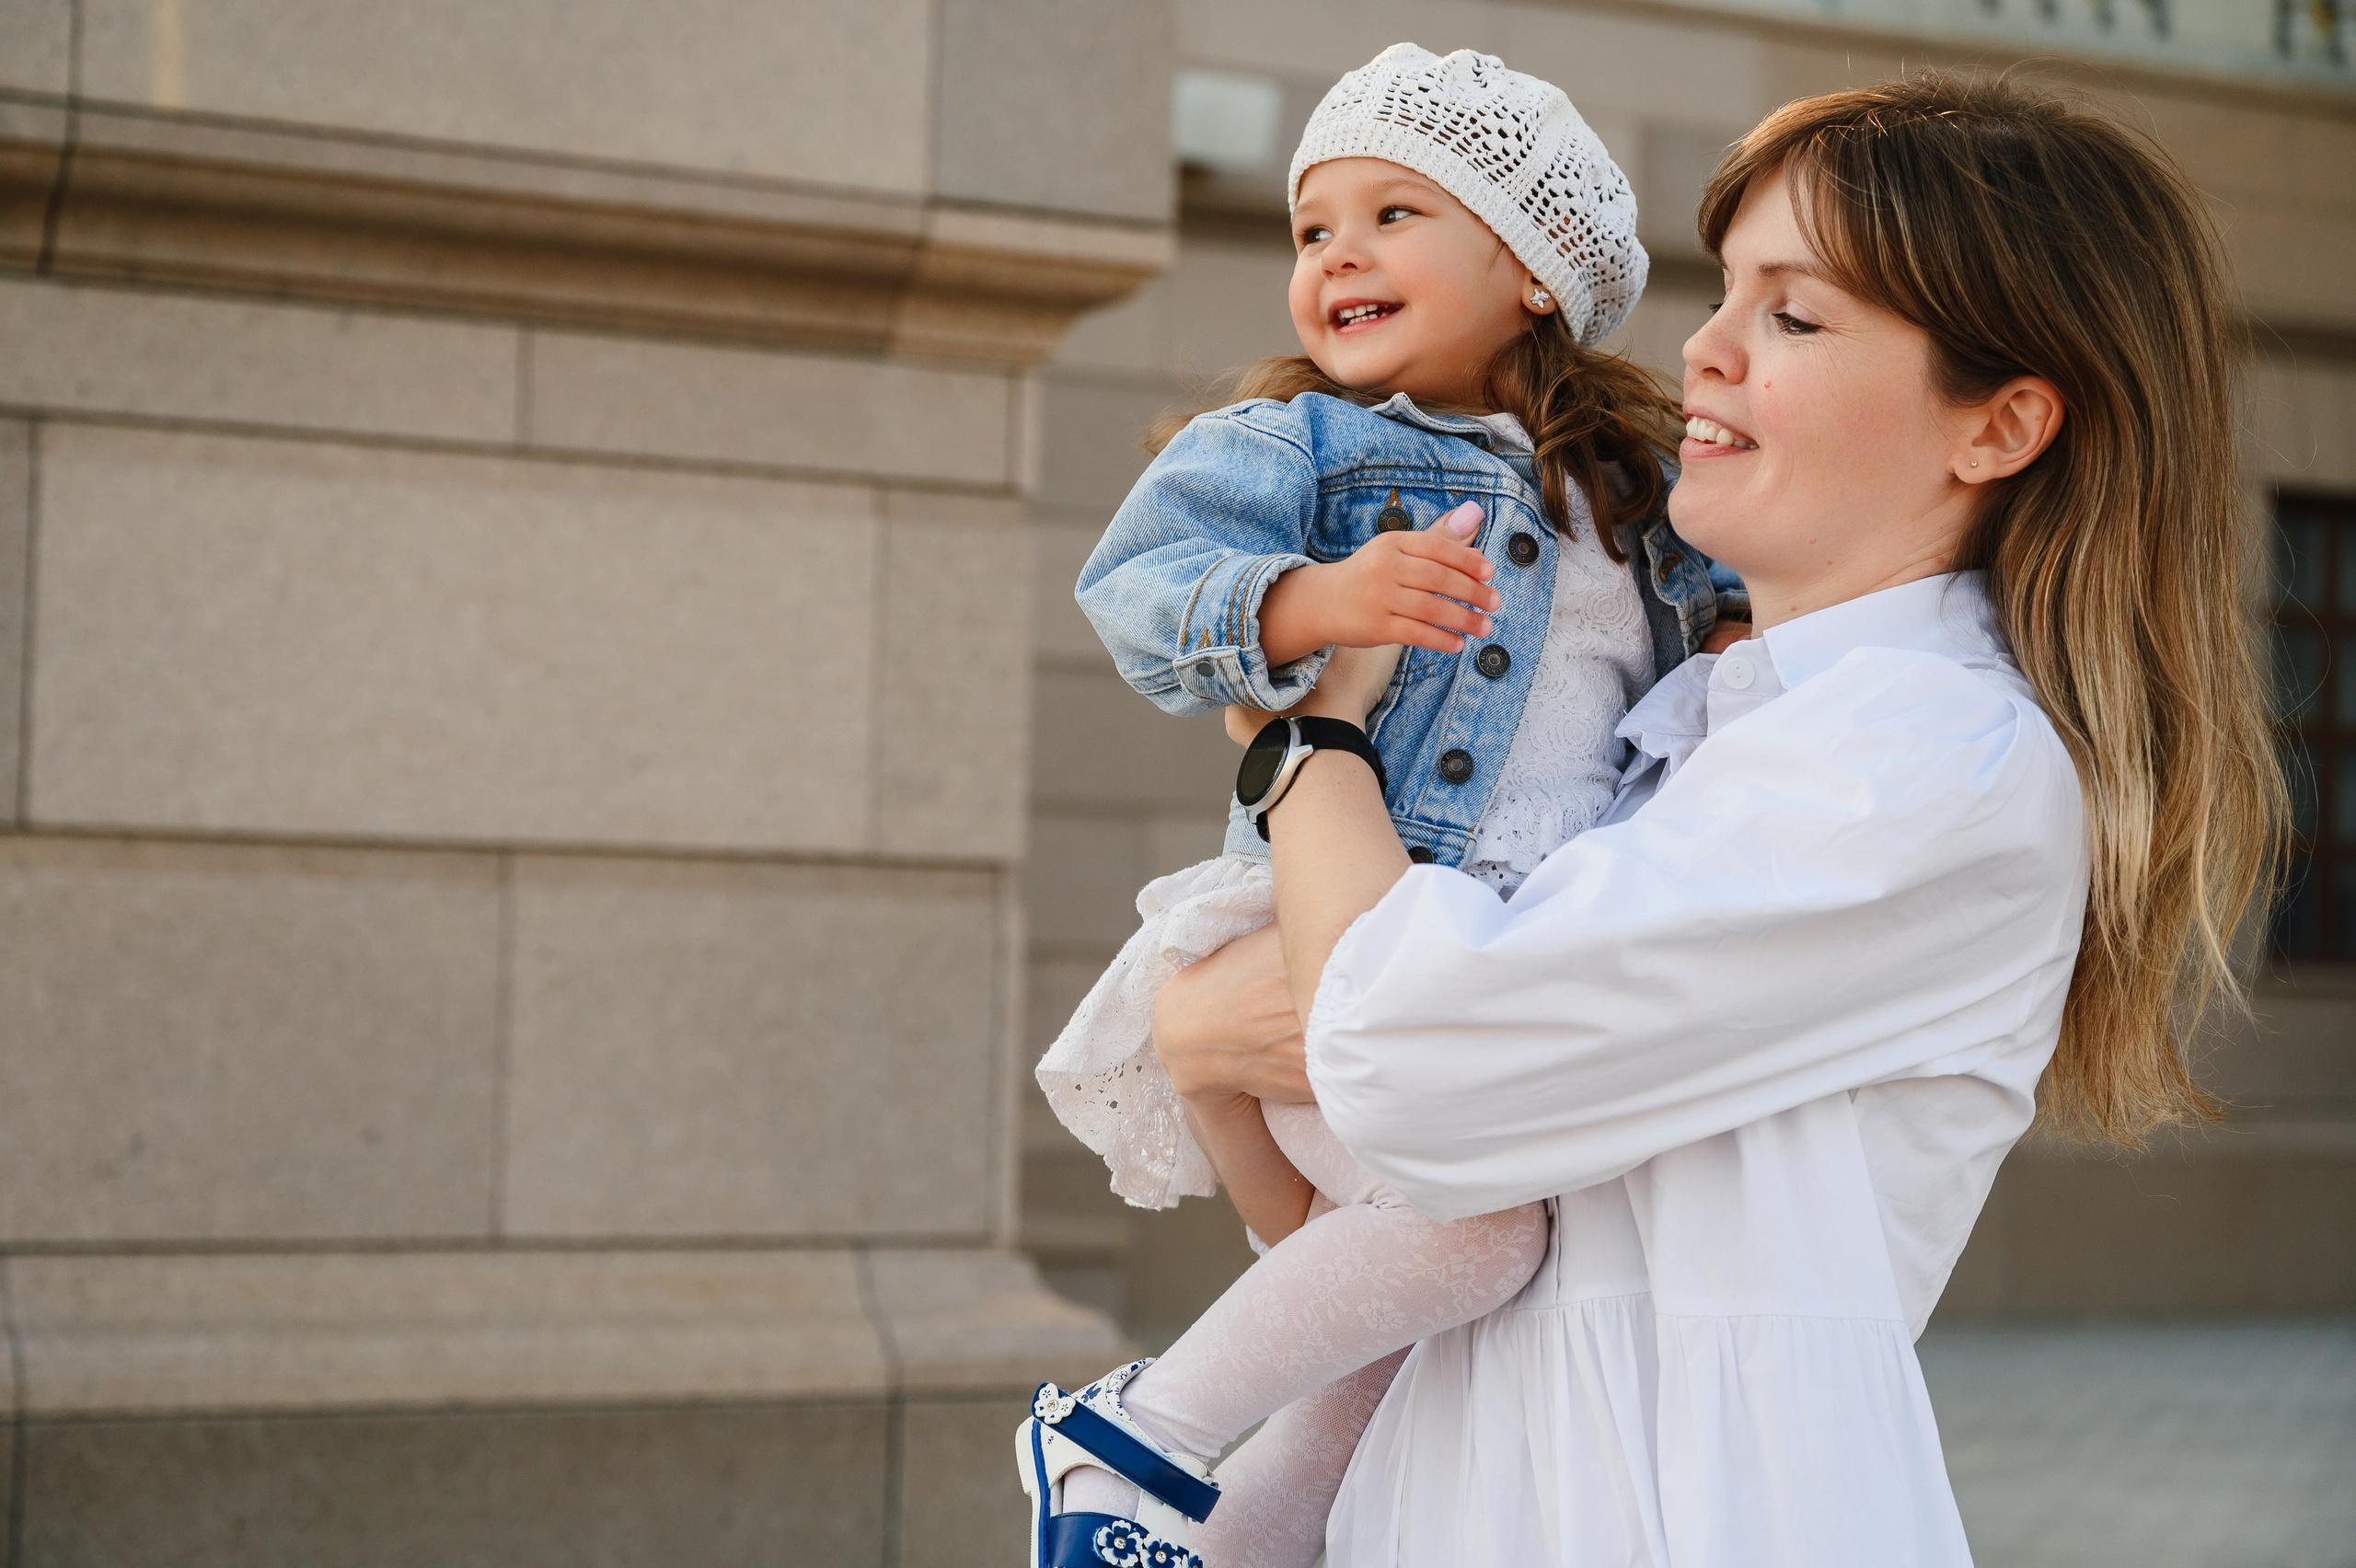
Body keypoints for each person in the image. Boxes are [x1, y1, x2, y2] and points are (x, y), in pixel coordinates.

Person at [1151, 71, 2281, 1566]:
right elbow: (1389, 1205)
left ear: (2000, 425)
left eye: (1793, 316)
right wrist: (1207, 1041)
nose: (1706, 349)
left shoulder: (1928, 758)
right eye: (1726, 292)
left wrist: (1308, 741)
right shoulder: (1691, 721)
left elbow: (1414, 1064)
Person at [1017, 43, 1743, 1568]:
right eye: (1310, 227)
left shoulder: (1636, 483)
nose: (1337, 252)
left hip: (1525, 945)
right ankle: (1123, 1435)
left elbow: (1730, 601)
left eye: (1393, 212)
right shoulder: (1297, 449)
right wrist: (1305, 599)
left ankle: (1217, 1550)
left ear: (1534, 269)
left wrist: (1746, 637)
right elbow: (1137, 596)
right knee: (1475, 1234)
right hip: (1347, 916)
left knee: (1402, 1325)